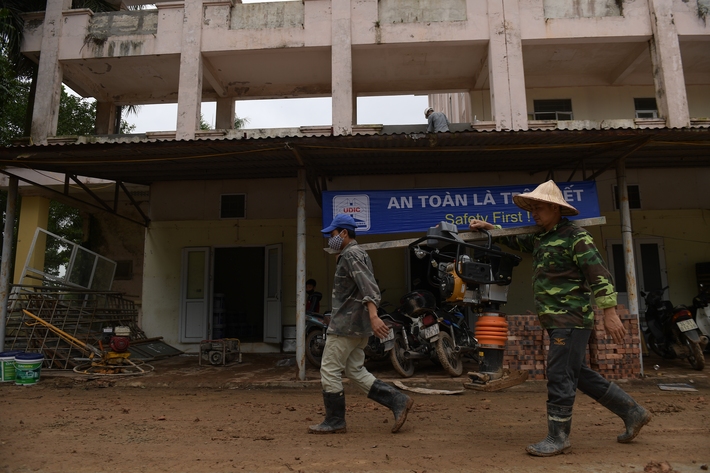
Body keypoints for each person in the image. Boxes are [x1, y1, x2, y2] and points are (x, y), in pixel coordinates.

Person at [468, 180, 651, 457]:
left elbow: (599, 274)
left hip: (572, 319)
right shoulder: (542, 237)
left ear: (555, 208)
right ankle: (632, 411)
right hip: (555, 321)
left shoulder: (576, 237)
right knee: (576, 373)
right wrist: (492, 229)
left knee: (559, 375)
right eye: (532, 208)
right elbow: (517, 240)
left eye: (539, 207)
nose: (534, 213)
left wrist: (610, 312)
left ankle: (558, 437)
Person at [309, 214, 413, 434]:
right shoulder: (354, 254)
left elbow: (369, 288)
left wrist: (375, 317)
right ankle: (397, 400)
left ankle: (335, 420)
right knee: (354, 370)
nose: (330, 238)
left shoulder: (351, 255)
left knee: (329, 369)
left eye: (333, 234)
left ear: (344, 233)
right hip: (356, 325)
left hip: (346, 325)